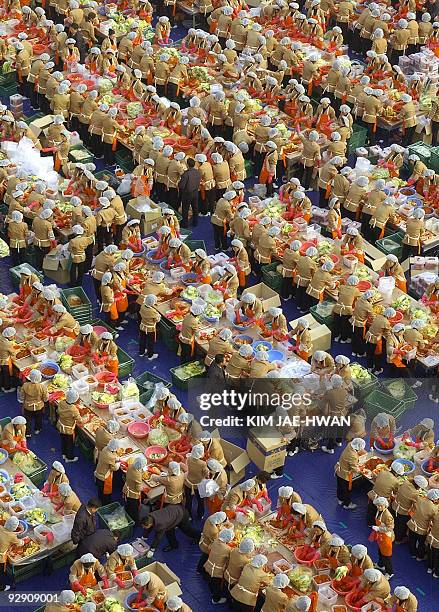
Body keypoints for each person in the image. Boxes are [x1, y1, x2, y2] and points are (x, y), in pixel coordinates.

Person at [366, 460, 403, 526]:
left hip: (373, 495)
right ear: (397, 474)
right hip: (382, 501)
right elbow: (395, 492)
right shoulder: (396, 481)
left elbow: (376, 480)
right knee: (380, 513)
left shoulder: (382, 472)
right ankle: (377, 525)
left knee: (371, 510)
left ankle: (369, 522)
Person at [392, 474, 426, 544]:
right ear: (418, 486)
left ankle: (392, 533)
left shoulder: (405, 483)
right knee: (401, 527)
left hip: (394, 506)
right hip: (402, 512)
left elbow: (410, 479)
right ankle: (398, 540)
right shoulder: (415, 493)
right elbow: (416, 505)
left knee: (394, 521)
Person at [205, 528, 234, 605]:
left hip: (209, 565)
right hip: (216, 571)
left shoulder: (215, 541)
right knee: (216, 585)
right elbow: (229, 559)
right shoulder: (227, 549)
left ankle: (211, 589)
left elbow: (209, 548)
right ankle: (216, 599)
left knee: (210, 580)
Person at [335, 438, 366, 509]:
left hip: (339, 469)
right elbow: (354, 469)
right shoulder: (353, 456)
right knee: (346, 489)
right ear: (358, 447)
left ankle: (340, 499)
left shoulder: (350, 445)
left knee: (339, 486)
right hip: (344, 474)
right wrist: (361, 470)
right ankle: (347, 504)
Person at [407, 489, 438, 561]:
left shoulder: (420, 499)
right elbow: (434, 520)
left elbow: (414, 506)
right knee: (421, 543)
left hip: (413, 524)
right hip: (422, 529)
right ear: (435, 499)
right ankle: (419, 557)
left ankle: (413, 553)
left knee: (412, 540)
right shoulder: (434, 508)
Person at [371, 497, 395, 579]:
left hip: (386, 537)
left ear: (385, 506)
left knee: (387, 556)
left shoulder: (388, 516)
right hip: (380, 536)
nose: (379, 507)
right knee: (380, 551)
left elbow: (390, 528)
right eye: (378, 506)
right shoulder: (379, 512)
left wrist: (379, 529)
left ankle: (389, 572)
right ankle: (381, 565)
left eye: (381, 506)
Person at [57, 388, 82, 462]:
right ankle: (69, 457)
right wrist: (82, 420)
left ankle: (64, 453)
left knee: (63, 440)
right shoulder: (73, 409)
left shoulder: (61, 402)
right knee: (69, 444)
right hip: (68, 430)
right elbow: (79, 419)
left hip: (61, 426)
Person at [21, 369, 48, 437]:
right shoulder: (42, 387)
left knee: (28, 419)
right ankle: (37, 429)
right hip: (39, 407)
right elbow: (45, 398)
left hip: (27, 407)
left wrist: (22, 403)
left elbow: (22, 397)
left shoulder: (25, 385)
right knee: (38, 418)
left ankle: (28, 433)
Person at [0, 517, 25, 591]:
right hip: (0, 557)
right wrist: (22, 541)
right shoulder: (12, 536)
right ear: (14, 527)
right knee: (1, 572)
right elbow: (19, 543)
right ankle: (2, 587)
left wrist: (13, 533)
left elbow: (5, 533)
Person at [94, 439, 121, 505]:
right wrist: (118, 463)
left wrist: (115, 458)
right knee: (105, 493)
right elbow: (114, 468)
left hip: (98, 472)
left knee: (100, 491)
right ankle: (105, 503)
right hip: (104, 477)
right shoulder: (110, 457)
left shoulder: (105, 448)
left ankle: (100, 500)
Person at [123, 455, 147, 524]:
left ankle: (126, 514)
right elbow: (138, 488)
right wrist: (144, 489)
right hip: (133, 494)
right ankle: (135, 522)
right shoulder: (137, 475)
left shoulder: (131, 466)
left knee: (128, 504)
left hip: (127, 488)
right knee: (134, 509)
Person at [179, 157, 201, 228]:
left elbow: (181, 186)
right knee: (195, 207)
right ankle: (195, 222)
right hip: (195, 193)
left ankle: (185, 224)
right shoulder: (198, 172)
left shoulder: (186, 174)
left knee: (185, 209)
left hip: (187, 194)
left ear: (187, 165)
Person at [139, 294, 161, 359]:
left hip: (142, 326)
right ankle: (150, 355)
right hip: (150, 329)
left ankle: (141, 352)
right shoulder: (152, 311)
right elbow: (157, 320)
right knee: (150, 342)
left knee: (142, 340)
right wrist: (158, 315)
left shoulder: (142, 306)